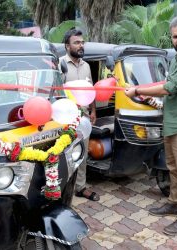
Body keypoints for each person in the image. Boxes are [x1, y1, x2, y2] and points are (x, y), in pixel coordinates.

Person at [125, 16, 177, 235]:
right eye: (175, 36)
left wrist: (138, 90)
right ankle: (174, 202)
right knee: (174, 169)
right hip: (173, 124)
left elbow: (169, 88)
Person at [61, 29, 100, 201]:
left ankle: (80, 187)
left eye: (82, 42)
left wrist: (93, 110)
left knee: (82, 153)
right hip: (64, 118)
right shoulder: (59, 64)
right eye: (77, 42)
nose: (81, 45)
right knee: (65, 153)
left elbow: (90, 90)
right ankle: (61, 188)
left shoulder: (86, 66)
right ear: (67, 46)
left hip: (83, 118)